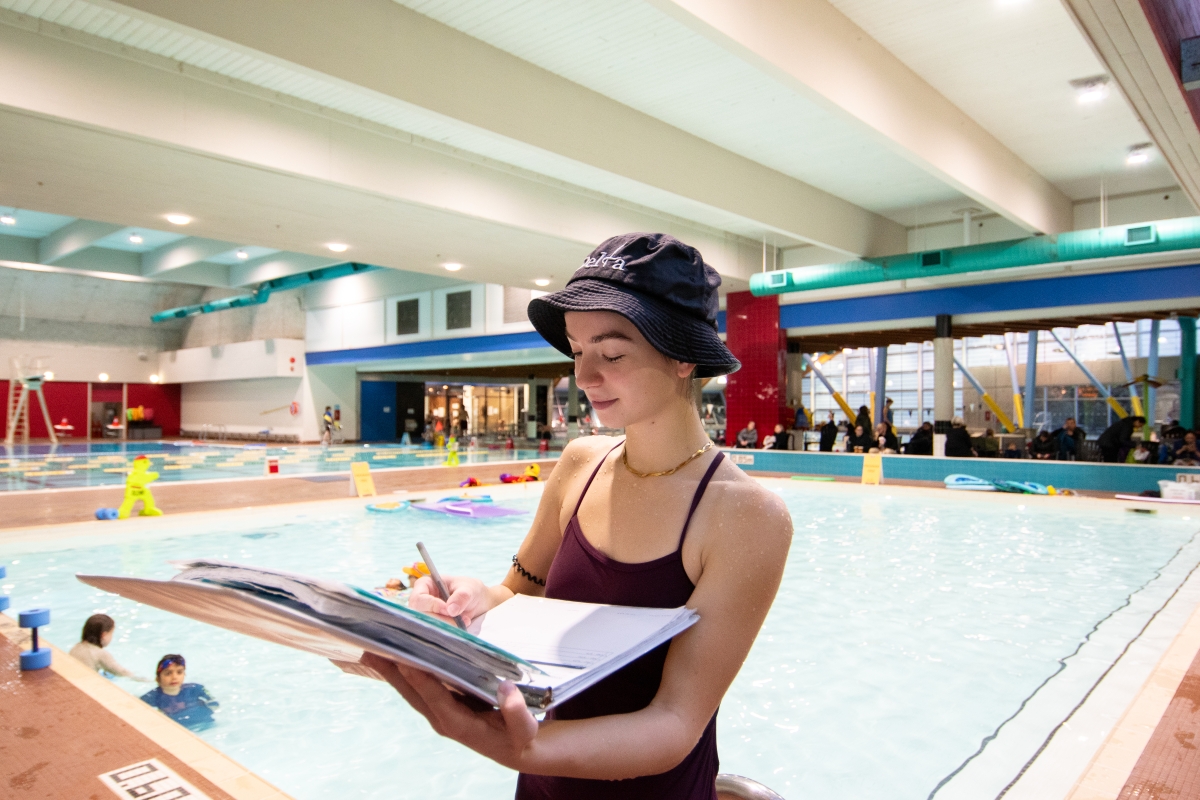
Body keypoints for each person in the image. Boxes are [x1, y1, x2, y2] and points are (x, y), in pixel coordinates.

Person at [362, 232, 792, 799]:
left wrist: (521, 744)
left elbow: (674, 723)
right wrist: (469, 599)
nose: (584, 377)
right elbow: (520, 593)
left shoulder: (745, 515)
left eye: (611, 353)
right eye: (576, 350)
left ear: (684, 355)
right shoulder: (580, 463)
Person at [140, 654, 219, 731]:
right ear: (158, 678)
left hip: (207, 725)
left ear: (184, 674)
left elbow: (214, 704)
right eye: (168, 673)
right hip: (178, 731)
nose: (174, 677)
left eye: (179, 672)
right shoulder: (153, 696)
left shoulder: (196, 689)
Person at [68, 614, 149, 681]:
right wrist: (139, 678)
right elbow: (121, 672)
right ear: (103, 635)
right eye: (111, 633)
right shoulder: (101, 654)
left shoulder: (77, 646)